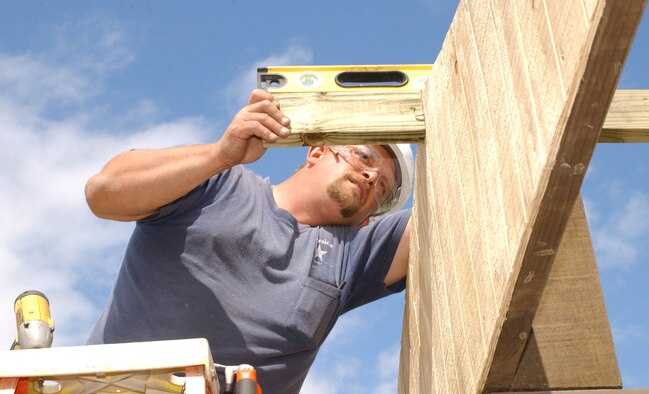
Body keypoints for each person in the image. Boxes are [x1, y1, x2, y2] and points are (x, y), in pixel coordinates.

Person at [85, 89, 413, 393]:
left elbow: (449, 203)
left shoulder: (353, 256)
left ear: (368, 218)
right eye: (365, 157)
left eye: (382, 189)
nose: (372, 177)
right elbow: (104, 193)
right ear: (316, 152)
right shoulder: (216, 184)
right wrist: (219, 155)